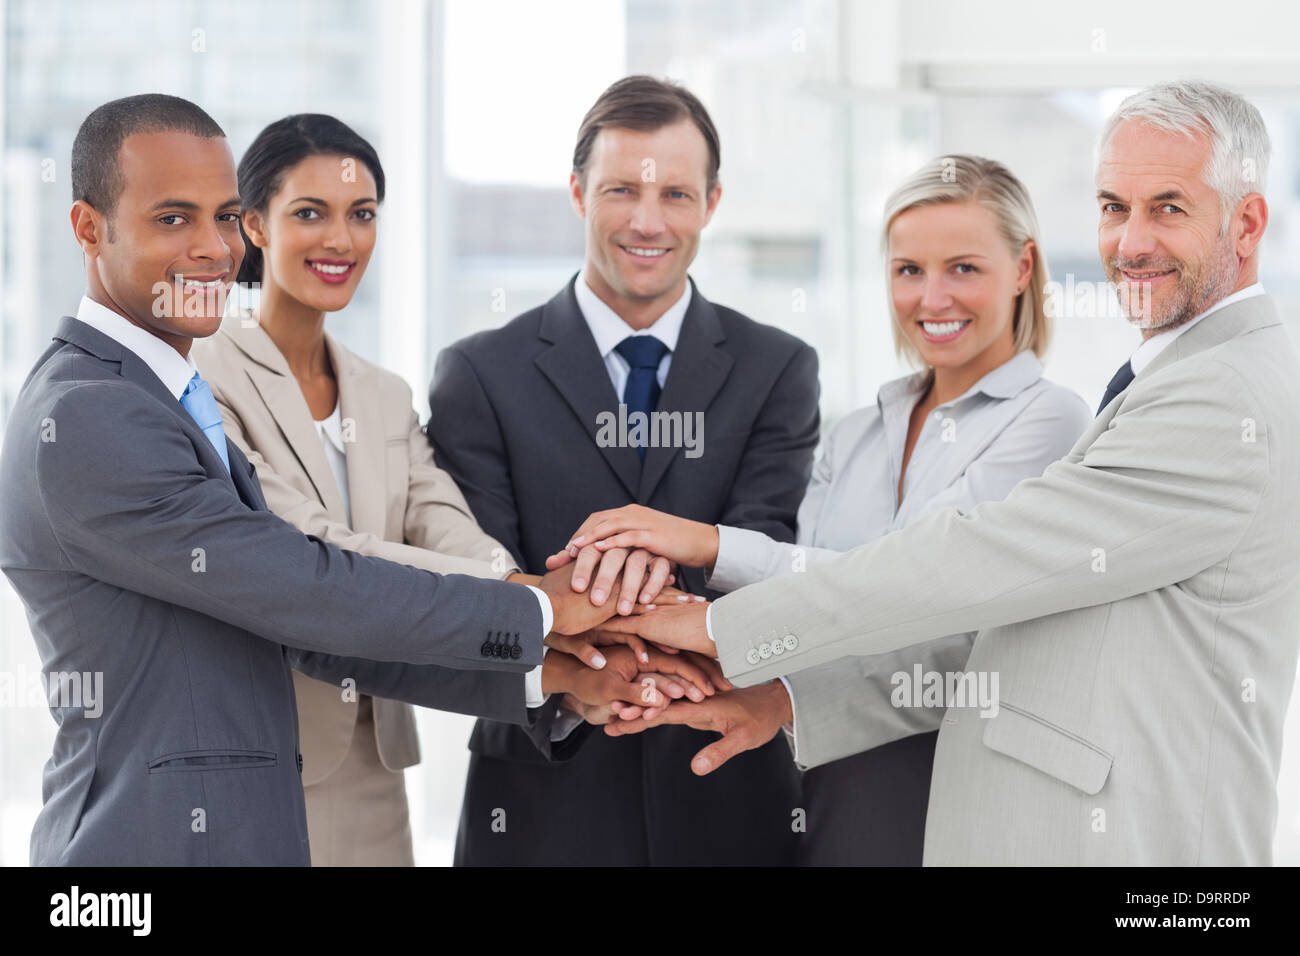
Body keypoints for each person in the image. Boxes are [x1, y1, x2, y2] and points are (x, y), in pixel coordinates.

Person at [597, 80, 1300, 866]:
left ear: (1246, 224)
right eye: (1112, 206)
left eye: (1168, 207)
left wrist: (721, 622)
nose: (1131, 241)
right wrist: (787, 697)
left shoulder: (1218, 394)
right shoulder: (1177, 376)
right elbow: (998, 625)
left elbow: (973, 561)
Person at [0, 94, 686, 866]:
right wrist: (533, 609)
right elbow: (309, 585)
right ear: (88, 228)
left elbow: (307, 625)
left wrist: (552, 678)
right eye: (171, 219)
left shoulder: (169, 393)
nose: (212, 249)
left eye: (221, 217)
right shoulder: (93, 414)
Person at [192, 114, 718, 866]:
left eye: (361, 214)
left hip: (374, 769)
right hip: (259, 757)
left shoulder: (381, 393)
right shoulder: (208, 375)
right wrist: (539, 604)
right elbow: (308, 547)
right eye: (310, 213)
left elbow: (445, 526)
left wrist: (553, 623)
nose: (340, 240)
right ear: (254, 227)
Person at [550, 155, 1091, 864]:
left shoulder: (1050, 420)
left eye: (963, 268)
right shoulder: (857, 433)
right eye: (908, 270)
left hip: (958, 787)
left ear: (1023, 269)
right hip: (831, 786)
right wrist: (640, 621)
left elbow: (924, 592)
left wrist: (709, 543)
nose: (933, 298)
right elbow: (802, 605)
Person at [428, 75, 821, 865]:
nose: (648, 222)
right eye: (621, 191)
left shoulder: (778, 367)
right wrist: (578, 675)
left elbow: (762, 556)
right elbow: (485, 586)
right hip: (540, 801)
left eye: (676, 193)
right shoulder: (479, 373)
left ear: (711, 202)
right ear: (577, 192)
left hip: (729, 792)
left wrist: (623, 629)